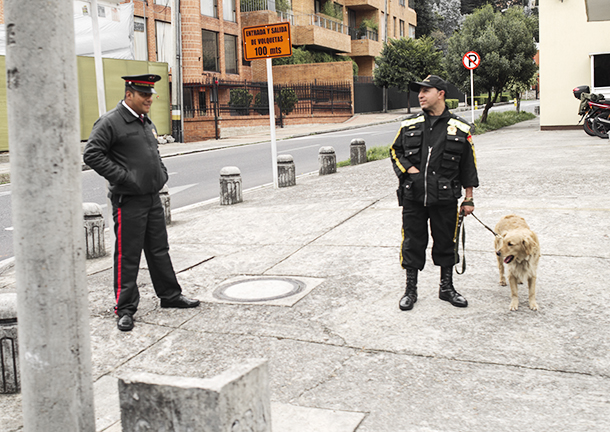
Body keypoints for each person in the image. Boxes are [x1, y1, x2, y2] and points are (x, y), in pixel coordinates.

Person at [83, 74, 200, 331]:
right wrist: (124, 178)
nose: (149, 99)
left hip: (151, 198)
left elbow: (153, 154)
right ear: (129, 94)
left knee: (159, 249)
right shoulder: (110, 122)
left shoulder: (144, 121)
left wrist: (161, 173)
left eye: (151, 94)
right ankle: (124, 309)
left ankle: (169, 296)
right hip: (129, 201)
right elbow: (92, 154)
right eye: (144, 94)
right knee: (128, 256)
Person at [390, 75, 479, 311]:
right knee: (412, 243)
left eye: (425, 91)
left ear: (441, 93)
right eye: (419, 91)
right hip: (414, 197)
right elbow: (395, 151)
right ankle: (410, 290)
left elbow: (468, 165)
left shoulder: (459, 128)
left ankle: (446, 288)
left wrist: (468, 198)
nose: (420, 95)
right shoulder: (409, 125)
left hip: (445, 197)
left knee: (446, 243)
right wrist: (409, 169)